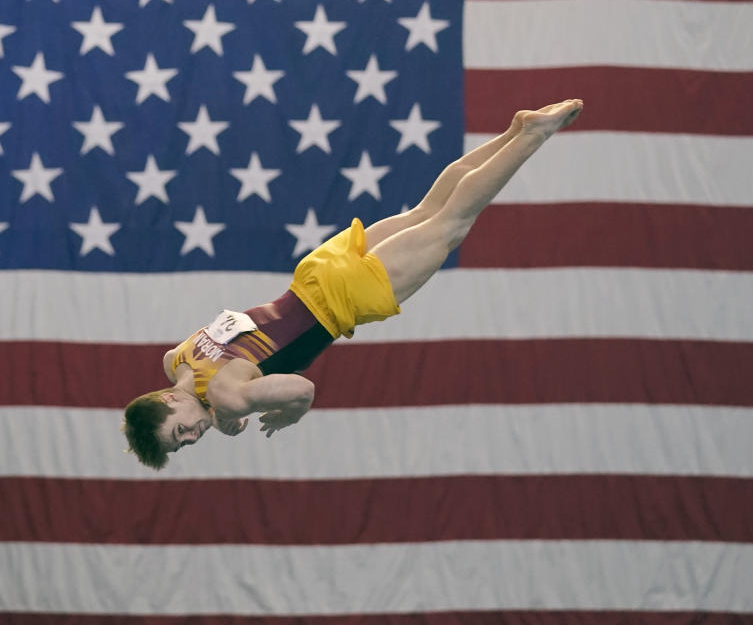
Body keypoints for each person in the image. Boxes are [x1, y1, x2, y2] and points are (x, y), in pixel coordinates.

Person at [122, 99, 584, 469]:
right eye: (183, 444)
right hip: (315, 274)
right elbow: (229, 368)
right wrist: (222, 412)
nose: (190, 436)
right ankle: (512, 130)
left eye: (178, 430)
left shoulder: (227, 398)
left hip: (343, 300)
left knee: (452, 225)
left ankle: (531, 137)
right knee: (425, 212)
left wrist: (287, 412)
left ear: (166, 400)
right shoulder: (175, 360)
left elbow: (301, 391)